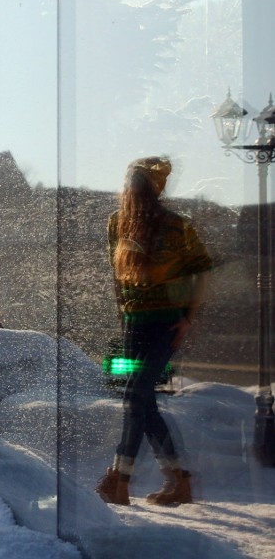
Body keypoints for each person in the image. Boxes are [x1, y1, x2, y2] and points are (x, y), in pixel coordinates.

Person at [96, 156, 212, 506]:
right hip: (135, 323)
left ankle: (119, 478)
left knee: (135, 395)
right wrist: (122, 315)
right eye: (131, 184)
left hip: (165, 322)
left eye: (140, 184)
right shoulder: (117, 223)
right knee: (142, 400)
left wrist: (188, 318)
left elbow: (201, 270)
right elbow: (118, 276)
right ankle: (180, 480)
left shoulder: (177, 226)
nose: (134, 191)